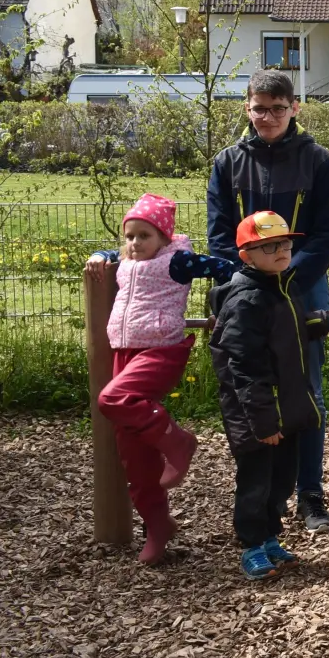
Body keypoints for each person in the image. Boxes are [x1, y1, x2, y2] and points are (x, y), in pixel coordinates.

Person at [207, 69, 329, 531]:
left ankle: (309, 494)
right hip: (243, 289)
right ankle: (263, 497)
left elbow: (326, 233)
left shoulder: (318, 161)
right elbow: (219, 233)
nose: (268, 117)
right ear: (247, 108)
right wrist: (249, 277)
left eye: (277, 109)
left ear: (294, 109)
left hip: (301, 286)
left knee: (307, 391)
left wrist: (288, 274)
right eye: (259, 108)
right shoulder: (227, 162)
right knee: (253, 388)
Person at [85, 194, 236, 564]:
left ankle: (178, 441)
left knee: (111, 400)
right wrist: (100, 256)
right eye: (130, 236)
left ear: (164, 238)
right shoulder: (122, 259)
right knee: (134, 454)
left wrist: (224, 310)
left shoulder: (178, 261)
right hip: (124, 354)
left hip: (160, 352)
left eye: (144, 236)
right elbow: (112, 251)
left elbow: (228, 269)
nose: (135, 244)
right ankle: (157, 526)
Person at [209, 211, 329, 580]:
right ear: (246, 255)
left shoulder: (280, 289)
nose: (281, 251)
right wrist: (263, 422)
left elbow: (290, 331)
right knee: (256, 482)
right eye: (269, 246)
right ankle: (252, 546)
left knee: (282, 479)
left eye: (285, 243)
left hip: (282, 409)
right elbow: (243, 366)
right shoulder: (246, 300)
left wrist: (323, 322)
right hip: (258, 416)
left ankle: (270, 536)